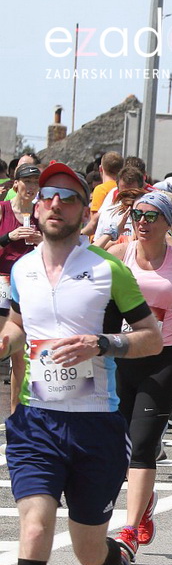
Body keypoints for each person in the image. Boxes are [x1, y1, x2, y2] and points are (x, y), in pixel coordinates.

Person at [3, 162, 164, 565]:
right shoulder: (21, 269)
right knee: (34, 531)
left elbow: (151, 336)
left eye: (67, 199)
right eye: (46, 197)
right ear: (34, 206)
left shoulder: (105, 269)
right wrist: (5, 338)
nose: (54, 205)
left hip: (94, 427)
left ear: (82, 211)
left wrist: (103, 344)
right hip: (34, 423)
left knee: (87, 550)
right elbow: (18, 323)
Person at [109, 191, 172, 559]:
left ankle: (130, 529)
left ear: (168, 223)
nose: (143, 222)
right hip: (120, 358)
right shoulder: (119, 255)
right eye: (138, 215)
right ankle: (145, 501)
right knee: (120, 444)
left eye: (151, 216)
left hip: (162, 359)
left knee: (144, 442)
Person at [0, 164, 42, 410]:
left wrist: (42, 241)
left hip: (31, 284)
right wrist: (9, 238)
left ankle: (16, 414)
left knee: (20, 356)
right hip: (3, 281)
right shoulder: (3, 210)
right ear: (16, 183)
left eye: (37, 183)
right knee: (4, 344)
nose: (32, 187)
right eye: (28, 182)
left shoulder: (40, 214)